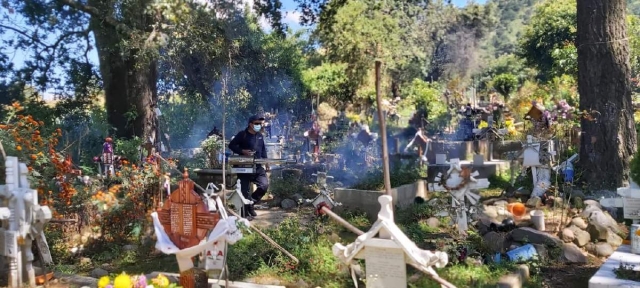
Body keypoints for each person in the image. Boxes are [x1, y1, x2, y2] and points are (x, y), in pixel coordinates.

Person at [228, 115, 270, 218]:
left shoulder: (260, 136)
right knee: (244, 191)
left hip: (258, 167)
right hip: (244, 167)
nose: (259, 126)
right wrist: (242, 151)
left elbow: (263, 150)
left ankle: (251, 202)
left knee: (264, 185)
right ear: (250, 124)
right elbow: (231, 145)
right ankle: (244, 214)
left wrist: (267, 162)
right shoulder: (242, 135)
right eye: (256, 124)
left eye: (260, 124)